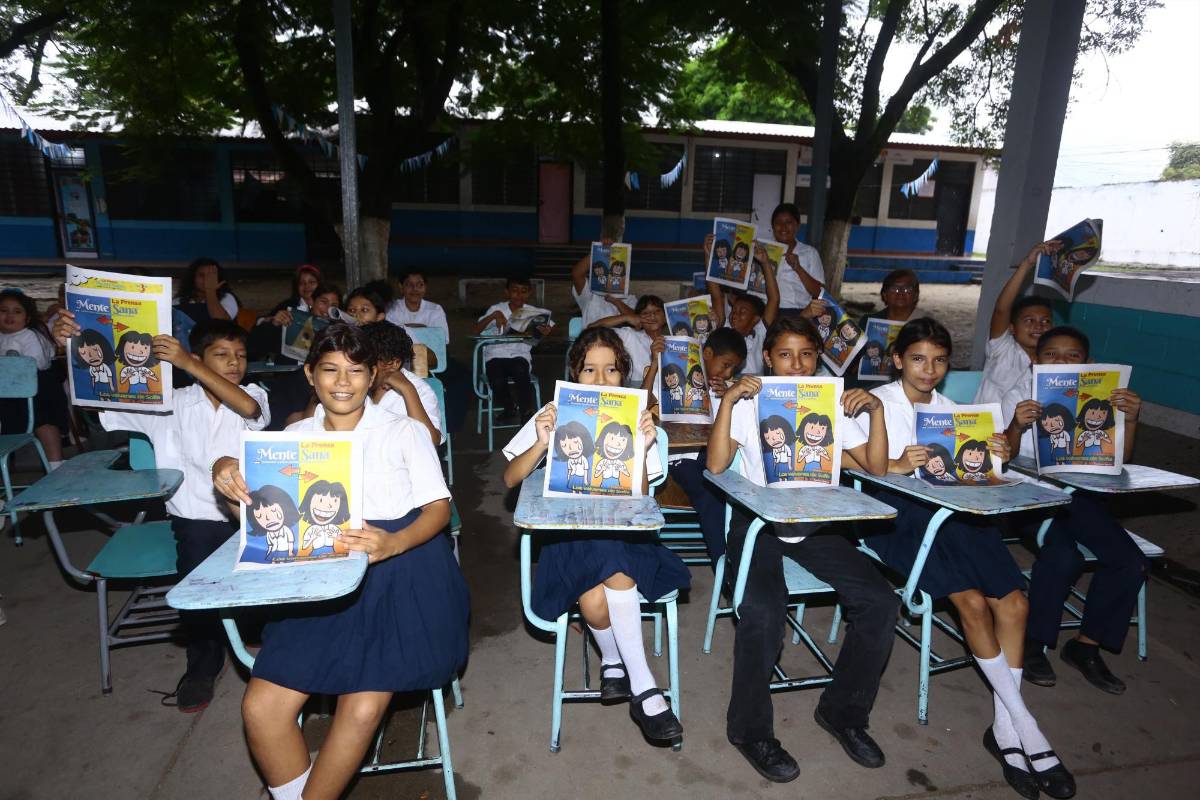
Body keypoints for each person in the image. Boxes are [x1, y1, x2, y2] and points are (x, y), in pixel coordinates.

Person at [211, 323, 468, 800]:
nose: (343, 381)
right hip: (319, 583)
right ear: (310, 375)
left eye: (356, 370)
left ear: (373, 377)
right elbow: (261, 519)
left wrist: (395, 542)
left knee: (363, 707)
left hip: (400, 574)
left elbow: (437, 509)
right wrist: (224, 473)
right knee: (261, 708)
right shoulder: (294, 435)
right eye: (330, 369)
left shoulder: (404, 432)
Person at [858, 317, 1075, 800]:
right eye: (917, 359)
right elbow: (856, 466)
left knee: (1015, 603)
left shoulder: (955, 411)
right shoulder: (877, 405)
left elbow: (978, 472)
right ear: (897, 360)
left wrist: (1000, 449)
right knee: (973, 603)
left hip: (958, 514)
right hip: (903, 519)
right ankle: (1028, 731)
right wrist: (897, 465)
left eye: (938, 360)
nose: (929, 370)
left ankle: (1005, 730)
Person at [706, 315, 896, 782]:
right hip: (759, 525)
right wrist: (729, 401)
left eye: (807, 355)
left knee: (880, 602)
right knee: (765, 613)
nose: (796, 365)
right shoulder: (751, 403)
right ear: (768, 357)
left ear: (818, 359)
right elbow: (714, 465)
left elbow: (875, 466)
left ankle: (844, 712)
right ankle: (750, 731)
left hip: (815, 524)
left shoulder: (827, 402)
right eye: (785, 355)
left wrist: (875, 412)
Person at [52, 313, 270, 711]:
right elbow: (98, 400)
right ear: (199, 354)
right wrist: (69, 350)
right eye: (221, 354)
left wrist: (190, 363)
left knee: (260, 584)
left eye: (240, 354)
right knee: (197, 591)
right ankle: (203, 665)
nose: (234, 361)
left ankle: (254, 632)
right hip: (194, 519)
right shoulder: (168, 401)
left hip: (249, 517)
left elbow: (251, 410)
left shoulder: (255, 392)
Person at [502, 327, 688, 743]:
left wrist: (642, 444)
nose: (601, 380)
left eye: (611, 370)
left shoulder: (639, 419)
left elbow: (641, 495)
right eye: (589, 370)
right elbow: (511, 476)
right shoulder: (553, 411)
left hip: (625, 537)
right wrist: (541, 442)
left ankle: (618, 667)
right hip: (568, 539)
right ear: (574, 373)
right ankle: (639, 682)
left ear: (624, 376)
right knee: (599, 581)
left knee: (599, 586)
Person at [1002, 326, 1148, 696]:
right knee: (1063, 557)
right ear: (1036, 360)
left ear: (1088, 362)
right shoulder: (1021, 394)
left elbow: (1123, 457)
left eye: (1073, 356)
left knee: (1131, 562)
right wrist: (1017, 426)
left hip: (1082, 498)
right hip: (1031, 499)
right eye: (1051, 354)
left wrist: (1129, 420)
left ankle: (1086, 644)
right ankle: (1033, 644)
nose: (1062, 362)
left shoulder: (1104, 398)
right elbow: (1000, 456)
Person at [665, 327, 746, 565]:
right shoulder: (674, 377)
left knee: (738, 493)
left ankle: (745, 558)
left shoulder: (726, 390)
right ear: (707, 353)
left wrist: (728, 397)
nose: (728, 372)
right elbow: (648, 404)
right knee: (709, 496)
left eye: (734, 368)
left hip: (712, 456)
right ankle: (726, 565)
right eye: (725, 364)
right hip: (680, 458)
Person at [975, 240, 1063, 405]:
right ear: (1012, 328)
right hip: (986, 425)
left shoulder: (1053, 361)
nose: (1039, 326)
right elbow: (1001, 310)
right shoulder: (1002, 349)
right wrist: (1027, 264)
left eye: (1046, 321)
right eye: (1029, 320)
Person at [0, 288, 67, 467]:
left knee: (43, 421)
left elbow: (38, 364)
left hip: (37, 389)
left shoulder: (29, 336)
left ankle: (55, 465)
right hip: (8, 396)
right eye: (3, 311)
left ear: (27, 318)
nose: (9, 316)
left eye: (17, 311)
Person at [473, 276, 553, 423]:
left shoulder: (534, 312)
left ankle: (527, 412)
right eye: (515, 291)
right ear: (507, 292)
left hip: (519, 355)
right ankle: (509, 408)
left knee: (520, 371)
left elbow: (536, 339)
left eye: (523, 291)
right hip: (495, 355)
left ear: (529, 293)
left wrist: (543, 333)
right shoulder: (496, 309)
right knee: (497, 379)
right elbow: (475, 330)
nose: (519, 295)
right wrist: (493, 316)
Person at [361, 321, 442, 446]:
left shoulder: (419, 389)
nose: (359, 368)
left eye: (368, 362)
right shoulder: (350, 382)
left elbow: (430, 441)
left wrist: (408, 390)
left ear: (393, 364)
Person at [589, 295, 667, 390]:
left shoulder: (674, 342)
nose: (652, 315)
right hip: (638, 391)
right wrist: (625, 317)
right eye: (646, 313)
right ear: (638, 319)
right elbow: (591, 330)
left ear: (665, 317)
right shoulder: (630, 335)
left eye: (657, 311)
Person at [764, 203, 826, 317]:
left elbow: (819, 293)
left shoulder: (809, 253)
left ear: (797, 226)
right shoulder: (763, 251)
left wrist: (798, 268)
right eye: (778, 223)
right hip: (766, 312)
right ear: (772, 226)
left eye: (788, 222)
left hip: (800, 314)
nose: (783, 227)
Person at [570, 241, 636, 326]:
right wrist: (597, 252)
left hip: (618, 338)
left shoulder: (630, 299)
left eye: (619, 270)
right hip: (591, 337)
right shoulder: (589, 294)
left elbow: (637, 321)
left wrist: (616, 301)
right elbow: (576, 274)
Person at [385, 270, 451, 347]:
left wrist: (404, 329)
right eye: (409, 285)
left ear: (425, 287)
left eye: (420, 285)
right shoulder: (392, 308)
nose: (415, 289)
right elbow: (390, 338)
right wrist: (425, 331)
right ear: (401, 287)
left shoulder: (435, 310)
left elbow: (441, 338)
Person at [175, 257, 239, 324]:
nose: (207, 279)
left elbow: (223, 324)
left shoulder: (226, 298)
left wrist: (210, 291)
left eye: (211, 276)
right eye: (202, 275)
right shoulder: (178, 301)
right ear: (193, 278)